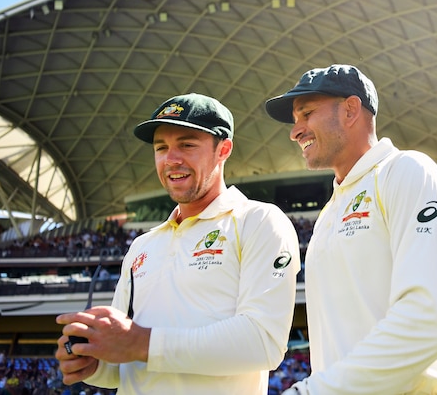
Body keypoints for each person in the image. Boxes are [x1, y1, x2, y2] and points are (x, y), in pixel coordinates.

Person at [55, 93, 301, 394]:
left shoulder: (259, 221)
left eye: (187, 145)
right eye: (161, 148)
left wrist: (139, 341)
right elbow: (126, 363)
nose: (171, 159)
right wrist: (94, 364)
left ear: (223, 149)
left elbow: (262, 342)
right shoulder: (142, 246)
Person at [264, 64, 437, 394]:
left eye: (306, 114)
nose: (295, 131)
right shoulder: (332, 210)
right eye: (295, 119)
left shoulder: (406, 171)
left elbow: (428, 319)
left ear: (350, 110)